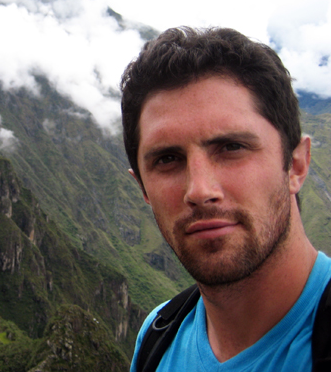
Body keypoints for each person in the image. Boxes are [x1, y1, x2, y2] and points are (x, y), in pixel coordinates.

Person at [120, 26, 331, 371]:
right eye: (167, 159)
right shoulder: (158, 338)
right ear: (143, 187)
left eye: (232, 147)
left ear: (295, 164)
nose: (200, 190)